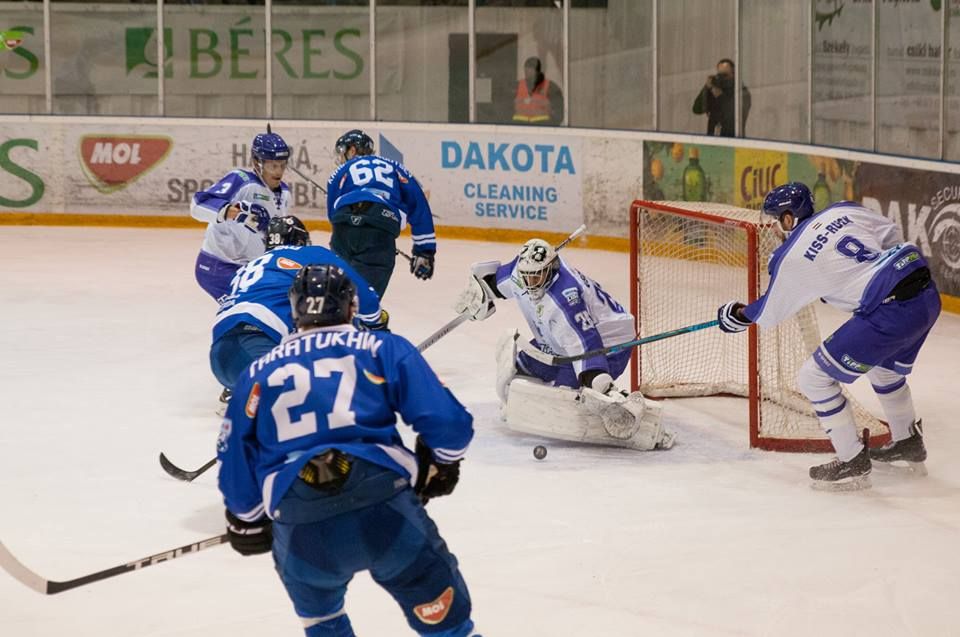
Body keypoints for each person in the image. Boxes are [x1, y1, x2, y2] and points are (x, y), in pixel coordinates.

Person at [217, 264, 479, 637]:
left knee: (325, 626)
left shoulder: (257, 372)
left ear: (294, 312)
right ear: (351, 307)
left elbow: (234, 464)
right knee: (449, 630)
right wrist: (440, 464)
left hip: (303, 528)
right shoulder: (381, 347)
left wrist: (247, 519)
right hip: (385, 511)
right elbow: (450, 426)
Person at [717, 182, 940, 489]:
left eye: (775, 220)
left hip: (891, 312)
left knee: (813, 377)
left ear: (788, 218)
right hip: (925, 295)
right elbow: (889, 235)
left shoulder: (791, 256)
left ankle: (851, 460)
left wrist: (736, 315)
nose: (774, 227)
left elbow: (768, 312)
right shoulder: (843, 209)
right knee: (883, 370)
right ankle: (907, 441)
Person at [454, 238, 674, 451]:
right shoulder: (522, 273)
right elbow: (491, 282)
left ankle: (640, 421)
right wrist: (479, 295)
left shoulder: (565, 300)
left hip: (610, 344)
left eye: (536, 277)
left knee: (566, 401)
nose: (530, 283)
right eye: (527, 277)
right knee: (514, 376)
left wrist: (601, 386)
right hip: (559, 341)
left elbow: (587, 345)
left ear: (551, 270)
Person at [210, 215, 387, 408]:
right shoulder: (309, 253)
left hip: (220, 355)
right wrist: (376, 324)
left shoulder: (250, 266)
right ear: (301, 239)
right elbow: (360, 291)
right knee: (330, 406)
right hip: (258, 345)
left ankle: (244, 389)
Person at [325, 129, 437, 299]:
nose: (340, 158)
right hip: (381, 225)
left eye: (342, 152)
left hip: (344, 228)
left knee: (337, 295)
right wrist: (424, 251)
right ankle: (364, 320)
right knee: (365, 302)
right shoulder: (396, 167)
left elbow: (333, 213)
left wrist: (353, 226)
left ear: (352, 150)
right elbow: (418, 204)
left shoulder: (342, 171)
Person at [190, 130, 292, 303]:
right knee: (249, 310)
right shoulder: (241, 180)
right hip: (218, 267)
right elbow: (198, 205)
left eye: (282, 165)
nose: (278, 171)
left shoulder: (285, 193)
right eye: (272, 165)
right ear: (256, 162)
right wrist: (231, 211)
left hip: (251, 269)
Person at [692, 58, 751, 137]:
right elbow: (697, 109)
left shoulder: (742, 92)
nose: (721, 78)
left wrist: (719, 94)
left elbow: (732, 115)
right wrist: (706, 87)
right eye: (719, 75)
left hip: (733, 140)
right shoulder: (714, 90)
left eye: (725, 75)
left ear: (734, 75)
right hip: (713, 139)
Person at [512, 56, 564, 126]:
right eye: (527, 69)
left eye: (532, 69)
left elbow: (559, 112)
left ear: (538, 71)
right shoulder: (516, 86)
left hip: (543, 129)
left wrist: (550, 127)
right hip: (520, 129)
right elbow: (506, 109)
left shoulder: (551, 87)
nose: (528, 72)